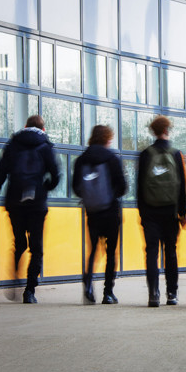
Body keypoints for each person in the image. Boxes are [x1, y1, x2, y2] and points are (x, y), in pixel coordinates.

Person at [0, 115, 60, 304]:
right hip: (36, 203)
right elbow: (56, 174)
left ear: (25, 126)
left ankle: (14, 276)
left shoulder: (12, 145)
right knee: (36, 248)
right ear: (42, 129)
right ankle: (29, 290)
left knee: (19, 244)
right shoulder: (45, 146)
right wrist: (46, 187)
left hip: (14, 202)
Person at [136, 116, 186, 307]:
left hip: (150, 212)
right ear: (167, 130)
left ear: (153, 131)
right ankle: (172, 294)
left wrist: (142, 212)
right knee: (171, 252)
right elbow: (181, 185)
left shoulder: (145, 154)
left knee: (151, 252)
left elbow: (140, 186)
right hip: (170, 213)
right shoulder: (176, 154)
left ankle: (153, 294)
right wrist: (182, 213)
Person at [73, 125, 127, 305]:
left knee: (93, 249)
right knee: (111, 252)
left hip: (92, 212)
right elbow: (122, 187)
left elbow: (76, 187)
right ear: (107, 139)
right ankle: (108, 292)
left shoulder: (81, 159)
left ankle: (88, 287)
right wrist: (110, 196)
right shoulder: (112, 159)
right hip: (110, 211)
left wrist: (90, 197)